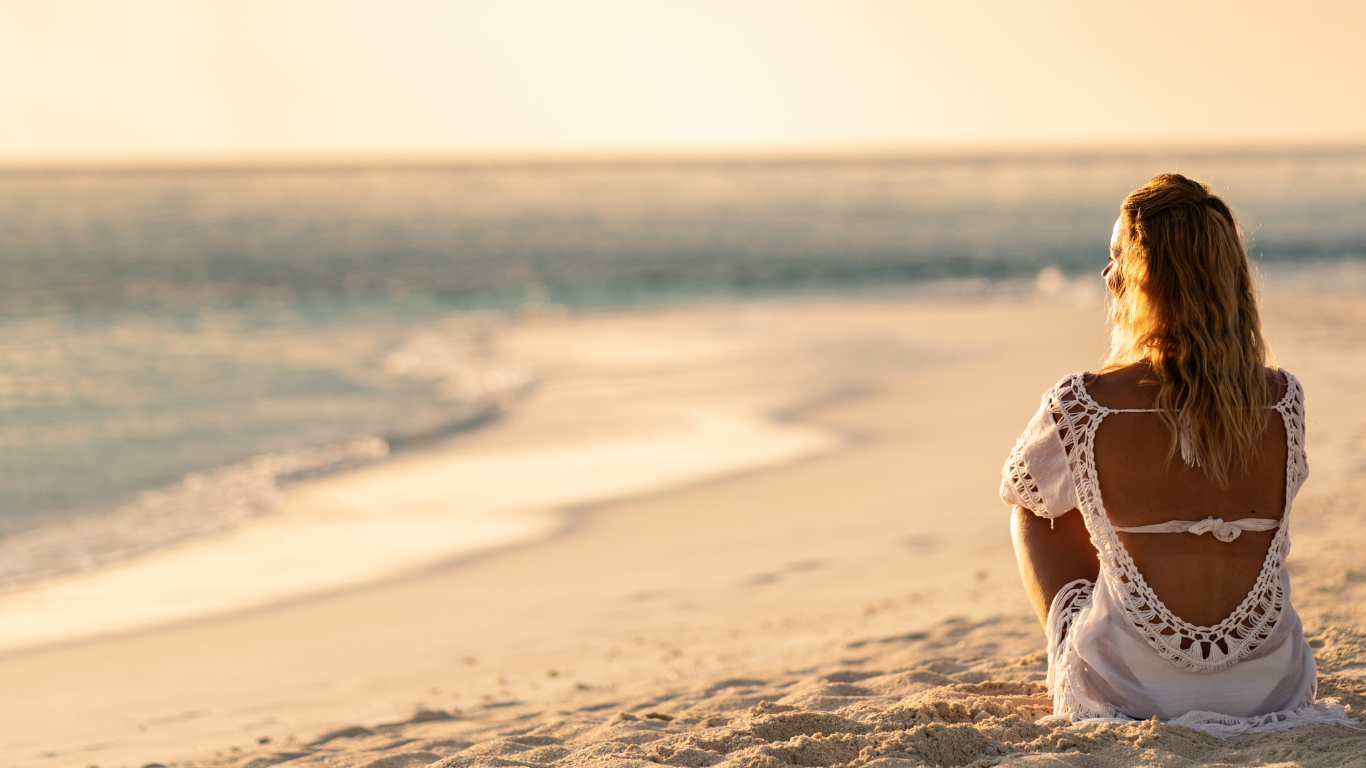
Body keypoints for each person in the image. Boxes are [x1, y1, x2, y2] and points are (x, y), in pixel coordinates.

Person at [1000, 173, 1358, 736]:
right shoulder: (1281, 400)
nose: (1105, 272)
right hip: (1272, 687)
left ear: (1147, 278)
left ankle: (1090, 648)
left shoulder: (1084, 403)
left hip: (1127, 691)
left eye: (1116, 254)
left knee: (1038, 505)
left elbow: (1023, 492)